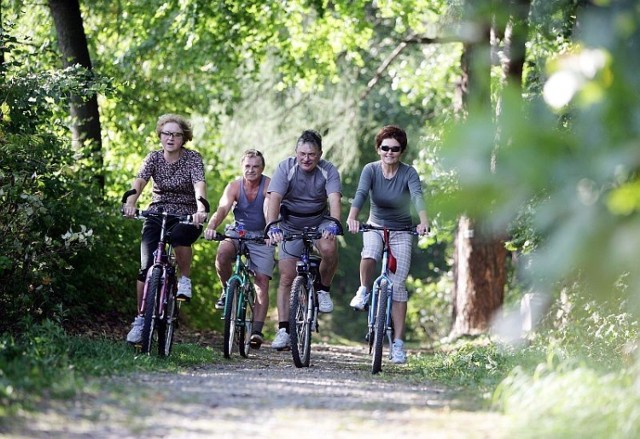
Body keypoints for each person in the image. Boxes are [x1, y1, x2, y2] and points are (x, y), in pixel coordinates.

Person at [346, 125, 428, 364]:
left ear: (401, 151)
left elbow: (417, 196)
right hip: (375, 226)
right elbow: (361, 193)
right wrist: (352, 218)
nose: (389, 152)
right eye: (385, 148)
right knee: (370, 254)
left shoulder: (408, 173)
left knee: (398, 285)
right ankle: (363, 291)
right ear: (378, 148)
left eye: (395, 149)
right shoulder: (370, 170)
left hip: (402, 230)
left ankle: (399, 345)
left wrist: (423, 222)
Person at [123, 114, 208, 344]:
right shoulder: (153, 158)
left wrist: (201, 209)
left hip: (186, 214)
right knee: (145, 267)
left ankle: (184, 280)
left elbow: (199, 186)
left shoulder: (192, 159)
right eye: (167, 133)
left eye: (177, 134)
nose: (171, 138)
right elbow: (139, 182)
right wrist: (130, 203)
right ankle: (141, 319)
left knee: (181, 236)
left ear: (184, 138)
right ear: (160, 135)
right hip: (157, 213)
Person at [266, 129, 342, 350]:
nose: (306, 159)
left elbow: (335, 199)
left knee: (329, 248)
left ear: (320, 154)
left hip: (319, 220)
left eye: (311, 154)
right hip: (290, 223)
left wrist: (335, 224)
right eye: (302, 154)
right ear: (296, 152)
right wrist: (272, 226)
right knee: (287, 277)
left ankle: (323, 290)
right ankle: (283, 330)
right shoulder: (285, 168)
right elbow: (274, 198)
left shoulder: (328, 170)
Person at [203, 149, 275, 349]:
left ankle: (257, 331)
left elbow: (268, 208)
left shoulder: (268, 185)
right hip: (238, 232)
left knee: (261, 280)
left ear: (262, 168)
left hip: (262, 235)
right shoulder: (234, 186)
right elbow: (223, 208)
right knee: (222, 254)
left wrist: (270, 230)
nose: (251, 170)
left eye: (256, 166)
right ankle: (228, 290)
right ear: (242, 167)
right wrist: (211, 227)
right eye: (247, 166)